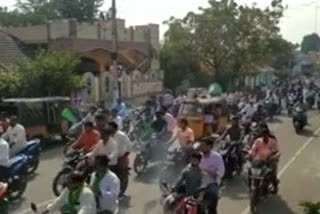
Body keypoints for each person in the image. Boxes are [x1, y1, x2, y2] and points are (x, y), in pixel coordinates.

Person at [249, 126, 280, 192]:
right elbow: (253, 149)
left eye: (265, 135)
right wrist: (251, 155)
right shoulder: (258, 141)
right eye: (263, 135)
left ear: (268, 135)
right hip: (258, 161)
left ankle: (275, 186)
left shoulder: (272, 142)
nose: (264, 137)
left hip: (269, 161)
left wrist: (273, 157)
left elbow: (277, 151)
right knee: (250, 171)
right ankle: (250, 186)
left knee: (272, 173)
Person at [200, 140, 225, 214]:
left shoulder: (217, 157)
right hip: (200, 184)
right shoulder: (199, 156)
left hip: (212, 184)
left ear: (209, 147)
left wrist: (211, 172)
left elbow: (221, 172)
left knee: (212, 207)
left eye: (203, 146)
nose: (202, 147)